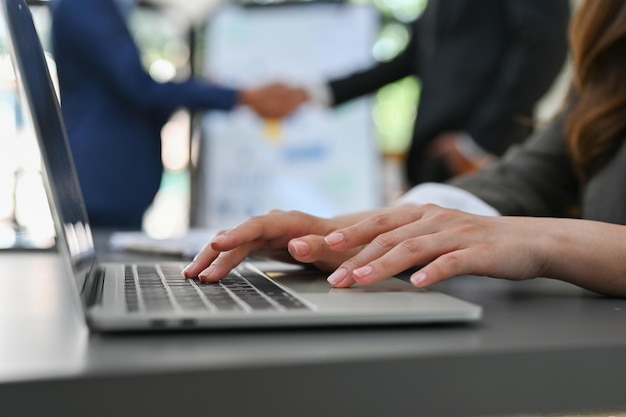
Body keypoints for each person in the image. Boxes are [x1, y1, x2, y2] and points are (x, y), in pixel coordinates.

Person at [183, 0, 626, 298]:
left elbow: (539, 44)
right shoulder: (609, 77)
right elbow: (517, 181)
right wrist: (332, 232)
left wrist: (539, 236)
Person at [254, 0, 571, 187]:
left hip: (486, 157)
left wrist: (478, 142)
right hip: (433, 158)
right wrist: (312, 93)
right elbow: (410, 58)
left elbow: (544, 43)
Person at [50, 0, 287, 229]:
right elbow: (139, 88)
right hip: (103, 179)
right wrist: (239, 97)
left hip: (109, 180)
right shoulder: (85, 4)